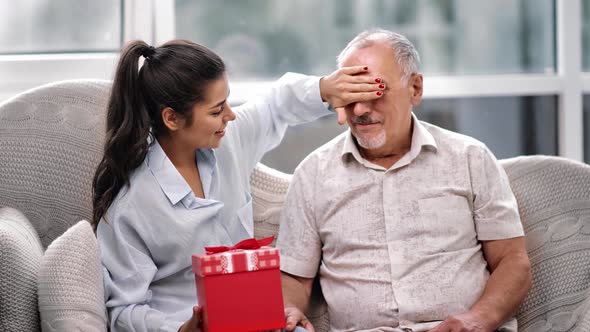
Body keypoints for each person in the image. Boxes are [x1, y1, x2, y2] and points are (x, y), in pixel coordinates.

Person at [92, 39, 386, 332]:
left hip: (256, 321)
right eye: (216, 110)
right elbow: (122, 311)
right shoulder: (132, 206)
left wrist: (324, 89)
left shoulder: (228, 141)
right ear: (172, 118)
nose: (230, 116)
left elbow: (276, 105)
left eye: (228, 102)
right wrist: (180, 330)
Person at [277, 29, 532, 332]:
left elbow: (512, 261)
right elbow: (294, 277)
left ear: (415, 88)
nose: (360, 109)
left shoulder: (470, 158)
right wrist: (289, 309)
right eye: (350, 95)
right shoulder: (313, 174)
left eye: (375, 90)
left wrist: (478, 320)